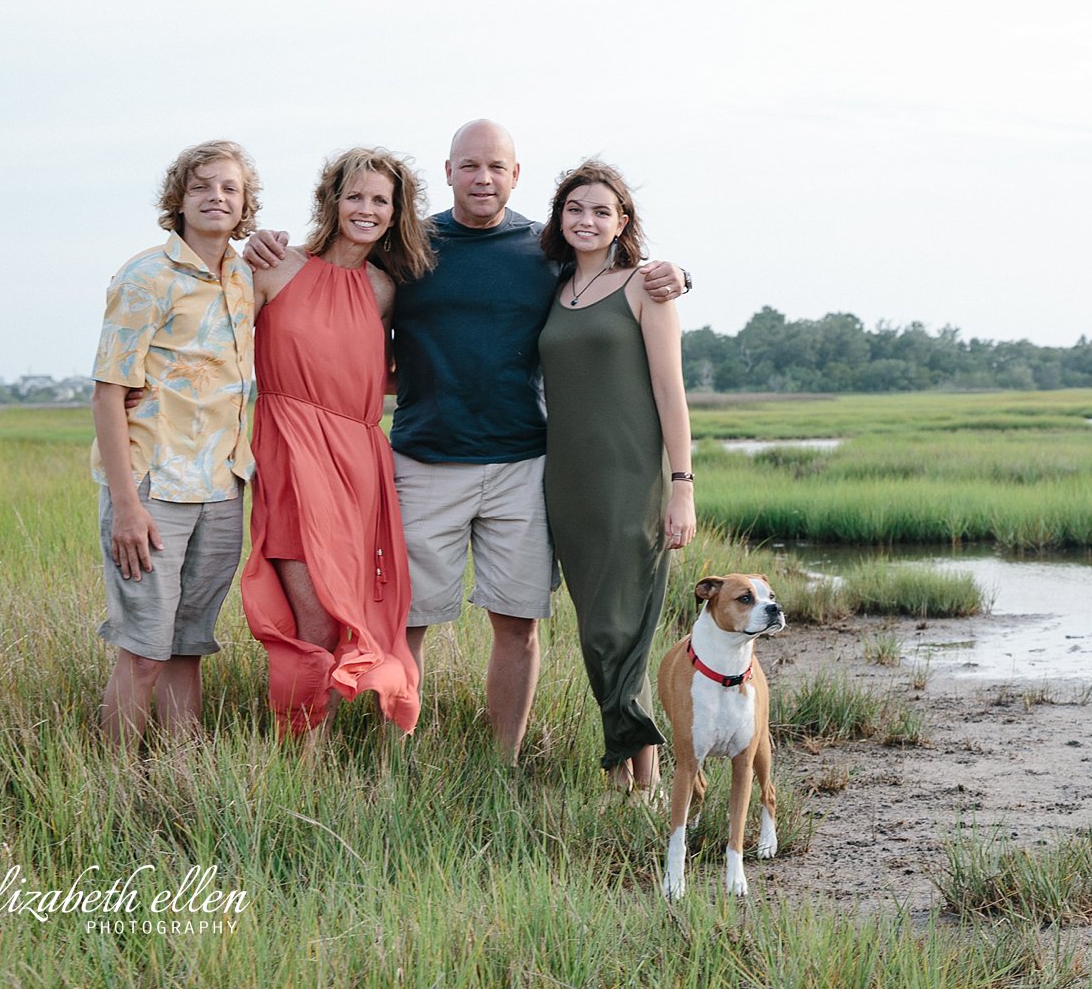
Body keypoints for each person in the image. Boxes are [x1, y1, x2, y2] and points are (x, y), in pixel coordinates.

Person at [244, 120, 688, 764]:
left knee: (517, 622)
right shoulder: (408, 247)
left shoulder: (546, 249)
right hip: (424, 461)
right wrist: (262, 242)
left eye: (497, 167)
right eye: (470, 166)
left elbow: (613, 275)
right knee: (408, 620)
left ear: (516, 175)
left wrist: (676, 272)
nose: (484, 178)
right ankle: (395, 756)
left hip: (523, 464)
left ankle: (501, 765)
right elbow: (331, 284)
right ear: (448, 172)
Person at [239, 147, 435, 746]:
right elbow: (214, 348)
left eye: (380, 200)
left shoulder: (383, 289)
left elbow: (387, 370)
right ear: (332, 200)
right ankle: (302, 761)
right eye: (355, 196)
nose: (366, 209)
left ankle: (375, 756)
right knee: (316, 619)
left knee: (373, 613)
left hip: (359, 463)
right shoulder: (274, 268)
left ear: (396, 212)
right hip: (291, 455)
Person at [90, 140, 260, 752]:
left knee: (189, 647)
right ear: (179, 200)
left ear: (245, 206)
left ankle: (181, 781)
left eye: (229, 189)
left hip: (220, 487)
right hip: (153, 486)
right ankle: (109, 791)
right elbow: (108, 394)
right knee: (143, 651)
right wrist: (127, 507)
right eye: (202, 187)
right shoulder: (146, 276)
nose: (216, 197)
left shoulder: (245, 277)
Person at [538, 161, 695, 791]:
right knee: (594, 630)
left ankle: (645, 778)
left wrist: (681, 485)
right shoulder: (551, 289)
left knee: (620, 627)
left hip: (632, 480)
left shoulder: (643, 288)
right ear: (560, 216)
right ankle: (628, 773)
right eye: (576, 208)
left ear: (622, 222)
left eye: (602, 211)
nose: (587, 220)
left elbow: (670, 390)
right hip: (567, 484)